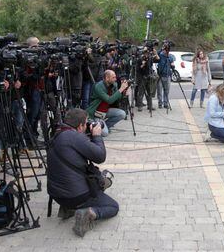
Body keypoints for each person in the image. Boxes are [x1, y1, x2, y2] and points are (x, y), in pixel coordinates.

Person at [47, 108, 119, 237]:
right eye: (85, 123)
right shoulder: (74, 137)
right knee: (113, 206)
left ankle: (68, 209)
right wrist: (96, 136)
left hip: (56, 195)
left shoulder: (58, 132)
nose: (87, 126)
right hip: (75, 196)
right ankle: (88, 213)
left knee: (80, 177)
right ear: (80, 126)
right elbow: (100, 156)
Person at [87, 70, 129, 135]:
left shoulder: (114, 85)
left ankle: (104, 125)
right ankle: (97, 125)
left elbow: (117, 99)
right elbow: (109, 100)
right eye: (113, 77)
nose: (115, 79)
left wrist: (124, 93)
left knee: (122, 114)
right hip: (97, 113)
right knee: (105, 133)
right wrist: (120, 89)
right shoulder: (98, 86)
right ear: (107, 78)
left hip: (105, 111)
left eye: (115, 77)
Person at [136, 46, 159, 111]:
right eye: (146, 53)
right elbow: (138, 69)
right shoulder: (140, 59)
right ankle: (139, 106)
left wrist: (155, 53)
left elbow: (157, 60)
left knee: (149, 92)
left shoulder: (149, 59)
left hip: (149, 77)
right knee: (141, 92)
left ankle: (150, 106)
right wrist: (142, 65)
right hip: (142, 77)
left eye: (148, 53)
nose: (147, 54)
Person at [157, 42, 175, 109]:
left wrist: (173, 66)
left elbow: (172, 64)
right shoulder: (161, 55)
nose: (166, 51)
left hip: (168, 75)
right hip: (160, 75)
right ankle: (160, 103)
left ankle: (165, 103)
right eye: (165, 49)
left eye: (167, 49)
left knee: (166, 91)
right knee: (159, 91)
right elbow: (157, 54)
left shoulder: (170, 56)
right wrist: (162, 48)